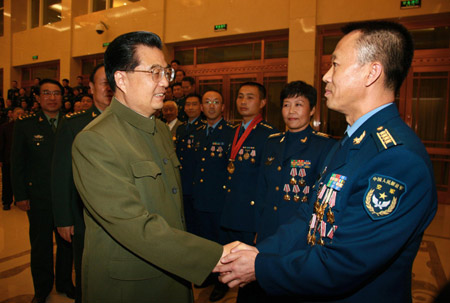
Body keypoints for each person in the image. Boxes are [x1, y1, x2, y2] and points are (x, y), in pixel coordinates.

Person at [215, 21, 438, 303]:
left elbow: (344, 265)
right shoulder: (352, 141)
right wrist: (260, 251)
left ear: (372, 72)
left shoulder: (396, 159)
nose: (325, 76)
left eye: (335, 65)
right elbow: (311, 214)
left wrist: (260, 267)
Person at [71, 31, 230, 303]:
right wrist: (216, 256)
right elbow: (134, 225)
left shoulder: (158, 129)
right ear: (120, 78)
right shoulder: (95, 140)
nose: (165, 83)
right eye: (154, 72)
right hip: (131, 284)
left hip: (173, 272)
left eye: (166, 73)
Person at [51, 64, 113, 303]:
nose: (108, 88)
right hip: (84, 215)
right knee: (88, 272)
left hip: (124, 214)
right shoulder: (74, 124)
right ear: (90, 88)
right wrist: (64, 218)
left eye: (112, 82)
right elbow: (61, 174)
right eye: (102, 83)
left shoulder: (130, 121)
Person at [11, 79, 75, 303]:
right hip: (38, 197)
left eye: (56, 93)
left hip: (67, 198)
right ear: (37, 98)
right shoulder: (25, 124)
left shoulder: (71, 122)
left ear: (63, 97)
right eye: (46, 93)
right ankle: (42, 288)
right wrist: (20, 195)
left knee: (68, 243)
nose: (52, 97)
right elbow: (16, 163)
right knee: (41, 245)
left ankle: (66, 283)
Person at [256, 81, 336, 244]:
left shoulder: (324, 146)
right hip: (269, 229)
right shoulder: (272, 142)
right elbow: (261, 190)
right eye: (286, 105)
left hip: (299, 232)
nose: (291, 111)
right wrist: (258, 227)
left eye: (298, 104)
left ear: (312, 109)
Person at [220, 81, 278, 302]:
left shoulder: (270, 136)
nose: (243, 101)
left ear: (263, 102)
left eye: (250, 97)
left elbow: (268, 183)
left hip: (250, 217)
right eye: (241, 96)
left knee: (251, 279)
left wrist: (260, 224)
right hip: (230, 211)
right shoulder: (233, 131)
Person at [192, 90, 235, 301]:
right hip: (198, 198)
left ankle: (222, 281)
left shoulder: (231, 133)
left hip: (219, 200)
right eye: (207, 102)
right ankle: (208, 275)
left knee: (220, 244)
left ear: (223, 108)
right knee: (203, 241)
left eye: (216, 102)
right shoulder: (197, 131)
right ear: (201, 107)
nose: (211, 106)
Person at [175, 93, 205, 233]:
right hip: (182, 180)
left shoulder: (204, 128)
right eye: (188, 104)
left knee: (197, 223)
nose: (190, 107)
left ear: (201, 107)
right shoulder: (181, 128)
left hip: (196, 182)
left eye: (194, 104)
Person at [0, 107, 24, 210]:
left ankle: (19, 199)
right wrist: (1, 159)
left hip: (23, 160)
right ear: (12, 114)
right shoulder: (5, 127)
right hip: (8, 158)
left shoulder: (26, 127)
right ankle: (7, 201)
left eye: (22, 114)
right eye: (18, 113)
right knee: (7, 181)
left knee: (21, 181)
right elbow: (1, 144)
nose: (20, 115)